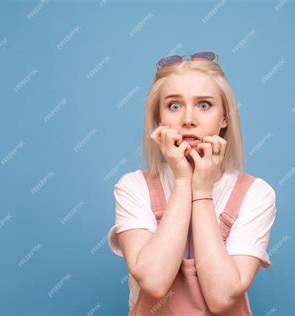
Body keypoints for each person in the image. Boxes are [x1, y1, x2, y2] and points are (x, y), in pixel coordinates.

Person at [108, 51, 278, 315]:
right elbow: (154, 281)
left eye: (204, 105)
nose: (188, 119)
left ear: (225, 119)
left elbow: (222, 298)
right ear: (158, 119)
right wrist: (182, 180)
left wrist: (201, 191)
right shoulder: (133, 188)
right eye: (174, 106)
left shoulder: (256, 194)